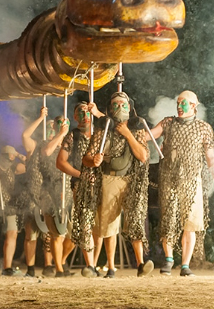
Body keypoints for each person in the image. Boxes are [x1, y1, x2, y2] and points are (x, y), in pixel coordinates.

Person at [149, 90, 214, 277]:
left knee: (190, 224)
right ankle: (168, 260)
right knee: (168, 221)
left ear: (193, 106)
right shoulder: (169, 123)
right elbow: (148, 136)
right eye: (178, 103)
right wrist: (131, 126)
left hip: (192, 181)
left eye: (184, 103)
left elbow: (210, 157)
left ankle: (185, 265)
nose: (179, 106)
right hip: (169, 179)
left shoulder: (203, 128)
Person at [82, 91, 154, 278]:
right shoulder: (102, 130)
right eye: (115, 105)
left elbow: (143, 156)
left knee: (135, 220)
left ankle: (140, 263)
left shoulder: (137, 130)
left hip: (130, 180)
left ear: (129, 108)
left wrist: (127, 134)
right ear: (110, 109)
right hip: (109, 179)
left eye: (123, 105)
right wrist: (94, 161)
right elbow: (87, 158)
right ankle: (109, 266)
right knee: (107, 225)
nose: (120, 108)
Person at [24, 109, 73, 277]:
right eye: (50, 128)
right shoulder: (39, 146)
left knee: (68, 233)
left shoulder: (67, 146)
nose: (54, 130)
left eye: (57, 127)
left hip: (63, 193)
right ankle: (48, 267)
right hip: (40, 193)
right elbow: (28, 138)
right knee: (43, 233)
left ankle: (59, 262)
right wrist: (40, 118)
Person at [59, 101, 105, 277]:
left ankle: (94, 263)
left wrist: (98, 113)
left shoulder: (101, 133)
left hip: (102, 184)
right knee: (85, 224)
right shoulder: (72, 136)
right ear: (75, 116)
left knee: (99, 227)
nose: (85, 116)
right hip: (81, 185)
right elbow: (61, 162)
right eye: (81, 113)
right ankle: (90, 266)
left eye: (88, 112)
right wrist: (80, 175)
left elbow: (114, 125)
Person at [0, 143, 27, 276]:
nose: (11, 159)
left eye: (13, 157)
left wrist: (19, 154)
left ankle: (7, 267)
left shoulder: (13, 167)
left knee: (12, 233)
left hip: (8, 205)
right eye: (10, 156)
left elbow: (29, 166)